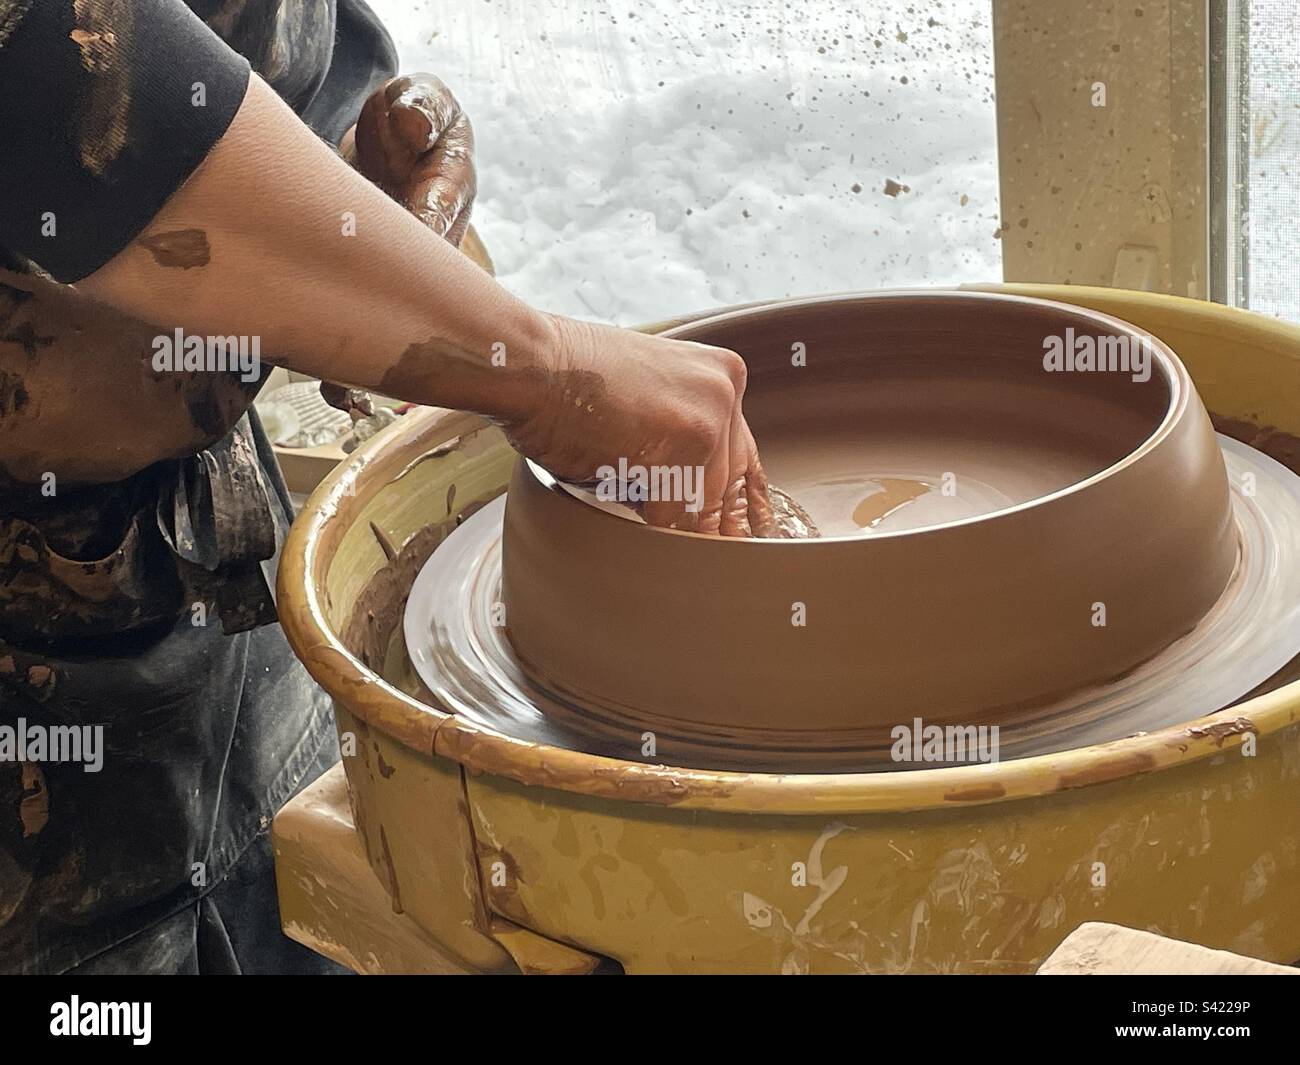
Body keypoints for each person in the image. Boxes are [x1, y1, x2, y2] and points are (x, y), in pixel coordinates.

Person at [0, 0, 770, 974]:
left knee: (298, 887)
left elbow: (239, 73)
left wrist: (346, 182)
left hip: (215, 575)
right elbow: (61, 74)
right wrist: (542, 368)